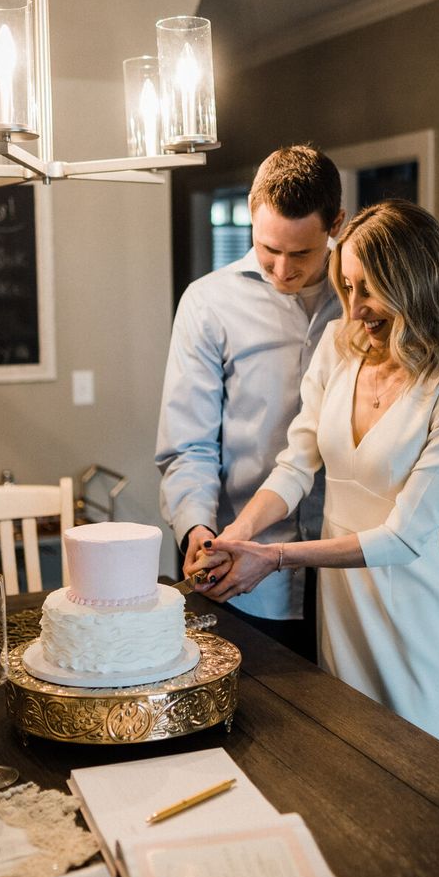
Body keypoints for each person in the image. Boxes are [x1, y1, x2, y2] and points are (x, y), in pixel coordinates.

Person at [189, 200, 439, 750]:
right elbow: (295, 465)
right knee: (348, 765)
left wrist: (276, 557)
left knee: (421, 778)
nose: (355, 308)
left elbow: (404, 536)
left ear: (416, 283)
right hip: (341, 611)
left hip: (410, 615)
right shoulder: (339, 348)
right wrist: (238, 535)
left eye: (370, 288)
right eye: (347, 286)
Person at [155, 144, 345, 659]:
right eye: (268, 249)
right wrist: (196, 528)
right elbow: (188, 442)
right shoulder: (208, 302)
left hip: (345, 574)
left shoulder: (362, 300)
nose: (282, 268)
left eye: (301, 253)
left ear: (336, 225)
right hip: (240, 568)